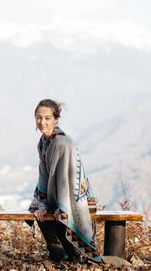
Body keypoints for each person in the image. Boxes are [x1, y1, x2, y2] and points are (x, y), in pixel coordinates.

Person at [29, 99, 101, 262]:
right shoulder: (43, 143)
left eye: (47, 118)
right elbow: (44, 175)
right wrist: (42, 204)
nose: (42, 122)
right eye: (38, 117)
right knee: (35, 210)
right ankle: (58, 252)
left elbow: (64, 179)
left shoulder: (62, 142)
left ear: (56, 119)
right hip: (59, 194)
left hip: (73, 199)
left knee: (59, 215)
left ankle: (69, 254)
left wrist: (60, 206)